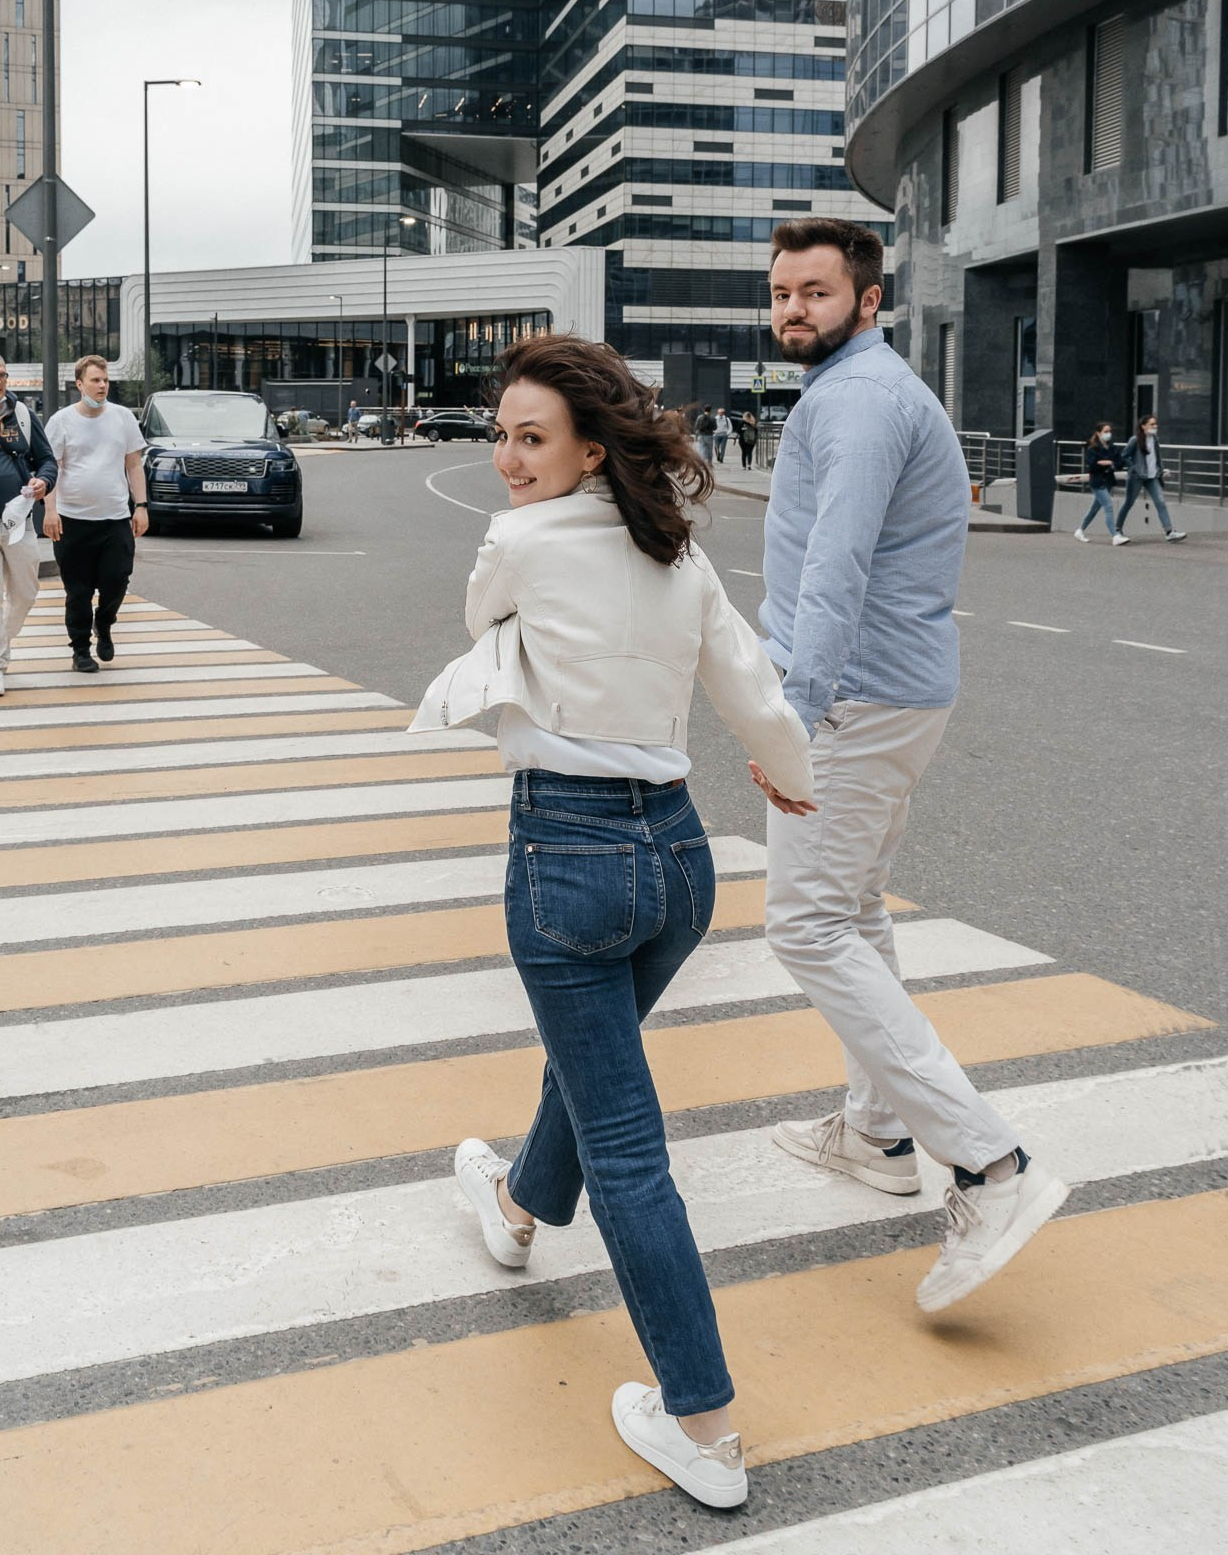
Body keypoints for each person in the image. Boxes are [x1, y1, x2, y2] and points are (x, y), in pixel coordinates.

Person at [410, 332, 814, 1510]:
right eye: (499, 436)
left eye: (529, 438)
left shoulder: (520, 541)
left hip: (568, 856)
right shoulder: (677, 556)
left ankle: (703, 1424)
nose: (505, 459)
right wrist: (786, 775)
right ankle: (517, 1206)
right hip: (680, 861)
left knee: (629, 1150)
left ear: (592, 449)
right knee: (597, 1079)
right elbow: (749, 685)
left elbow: (486, 610)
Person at [755, 216, 1067, 1315]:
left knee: (803, 924)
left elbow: (833, 572)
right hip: (889, 694)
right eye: (783, 291)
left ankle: (988, 1165)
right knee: (855, 909)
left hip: (849, 701)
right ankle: (880, 1134)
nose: (793, 309)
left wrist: (790, 715)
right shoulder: (857, 392)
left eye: (815, 293)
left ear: (868, 301)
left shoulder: (856, 403)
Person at [42, 355, 149, 673]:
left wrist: (140, 507)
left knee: (117, 581)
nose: (102, 386)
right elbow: (52, 469)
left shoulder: (122, 418)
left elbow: (133, 464)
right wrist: (50, 512)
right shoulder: (61, 421)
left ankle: (104, 623)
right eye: (95, 380)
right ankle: (80, 650)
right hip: (72, 520)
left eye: (105, 381)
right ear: (79, 384)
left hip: (115, 518)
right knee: (78, 591)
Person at [0, 349, 57, 697]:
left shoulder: (21, 413)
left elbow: (47, 459)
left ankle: (2, 641)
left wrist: (43, 482)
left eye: (2, 375)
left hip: (19, 519)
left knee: (25, 593)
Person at [1118, 414, 1186, 540]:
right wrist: (1134, 467)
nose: (1155, 426)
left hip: (1152, 476)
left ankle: (1169, 532)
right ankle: (1118, 529)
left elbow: (1156, 457)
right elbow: (1124, 455)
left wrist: (1160, 469)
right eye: (1152, 424)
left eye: (1155, 424)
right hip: (1137, 477)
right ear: (1143, 426)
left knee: (1161, 502)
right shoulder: (1135, 440)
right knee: (1128, 503)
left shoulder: (1154, 439)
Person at [1074, 422, 1129, 544]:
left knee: (1094, 508)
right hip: (1098, 482)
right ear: (1098, 433)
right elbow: (1093, 465)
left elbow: (1119, 463)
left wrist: (1107, 463)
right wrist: (1108, 463)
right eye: (1105, 431)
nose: (1108, 434)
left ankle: (1080, 530)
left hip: (1108, 481)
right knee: (1108, 506)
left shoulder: (1113, 448)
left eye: (1109, 431)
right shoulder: (1092, 448)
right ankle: (1115, 536)